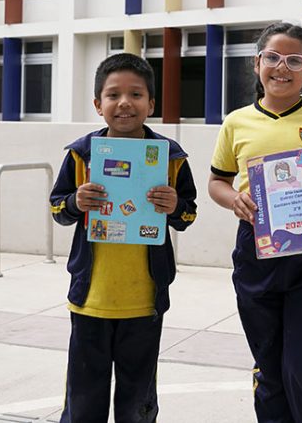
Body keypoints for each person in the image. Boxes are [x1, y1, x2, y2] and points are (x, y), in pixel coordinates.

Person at [208, 22, 302, 423]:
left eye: (295, 60)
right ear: (257, 63)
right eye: (273, 57)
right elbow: (216, 183)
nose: (282, 67)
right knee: (270, 366)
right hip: (256, 250)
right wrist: (234, 200)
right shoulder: (236, 122)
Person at [50, 53, 198, 423]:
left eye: (136, 94)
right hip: (90, 300)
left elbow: (188, 214)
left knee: (138, 400)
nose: (125, 103)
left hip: (144, 301)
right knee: (84, 397)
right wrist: (75, 201)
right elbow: (57, 208)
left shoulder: (170, 158)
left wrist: (174, 204)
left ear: (151, 103)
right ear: (98, 104)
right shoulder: (82, 155)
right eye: (113, 95)